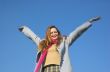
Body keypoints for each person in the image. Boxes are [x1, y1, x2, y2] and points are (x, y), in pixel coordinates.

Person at [19, 16, 101, 72]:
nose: (54, 34)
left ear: (58, 33)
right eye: (51, 32)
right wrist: (24, 29)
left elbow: (76, 32)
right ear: (48, 34)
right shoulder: (43, 43)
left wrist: (88, 23)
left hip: (59, 69)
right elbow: (34, 37)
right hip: (45, 70)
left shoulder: (64, 41)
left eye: (55, 32)